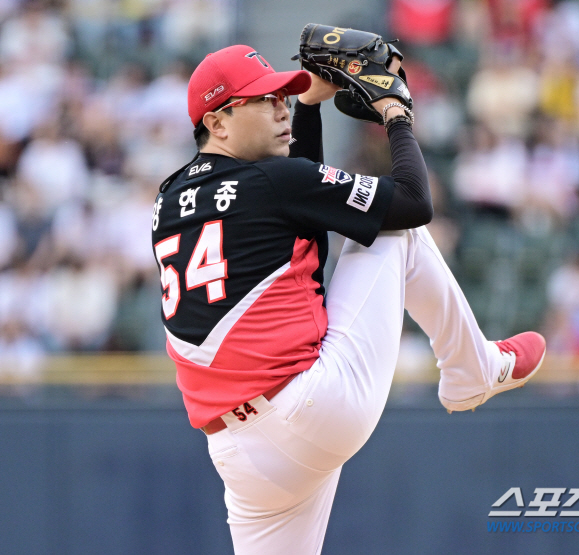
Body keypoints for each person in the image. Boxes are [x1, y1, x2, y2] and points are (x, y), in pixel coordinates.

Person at [151, 44, 546, 555]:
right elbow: (412, 203)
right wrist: (397, 116)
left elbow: (299, 207)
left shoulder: (167, 197)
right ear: (219, 122)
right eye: (261, 100)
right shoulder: (274, 181)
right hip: (311, 409)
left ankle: (474, 369)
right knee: (387, 232)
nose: (280, 109)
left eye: (283, 98)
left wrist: (312, 105)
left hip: (237, 455)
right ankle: (474, 370)